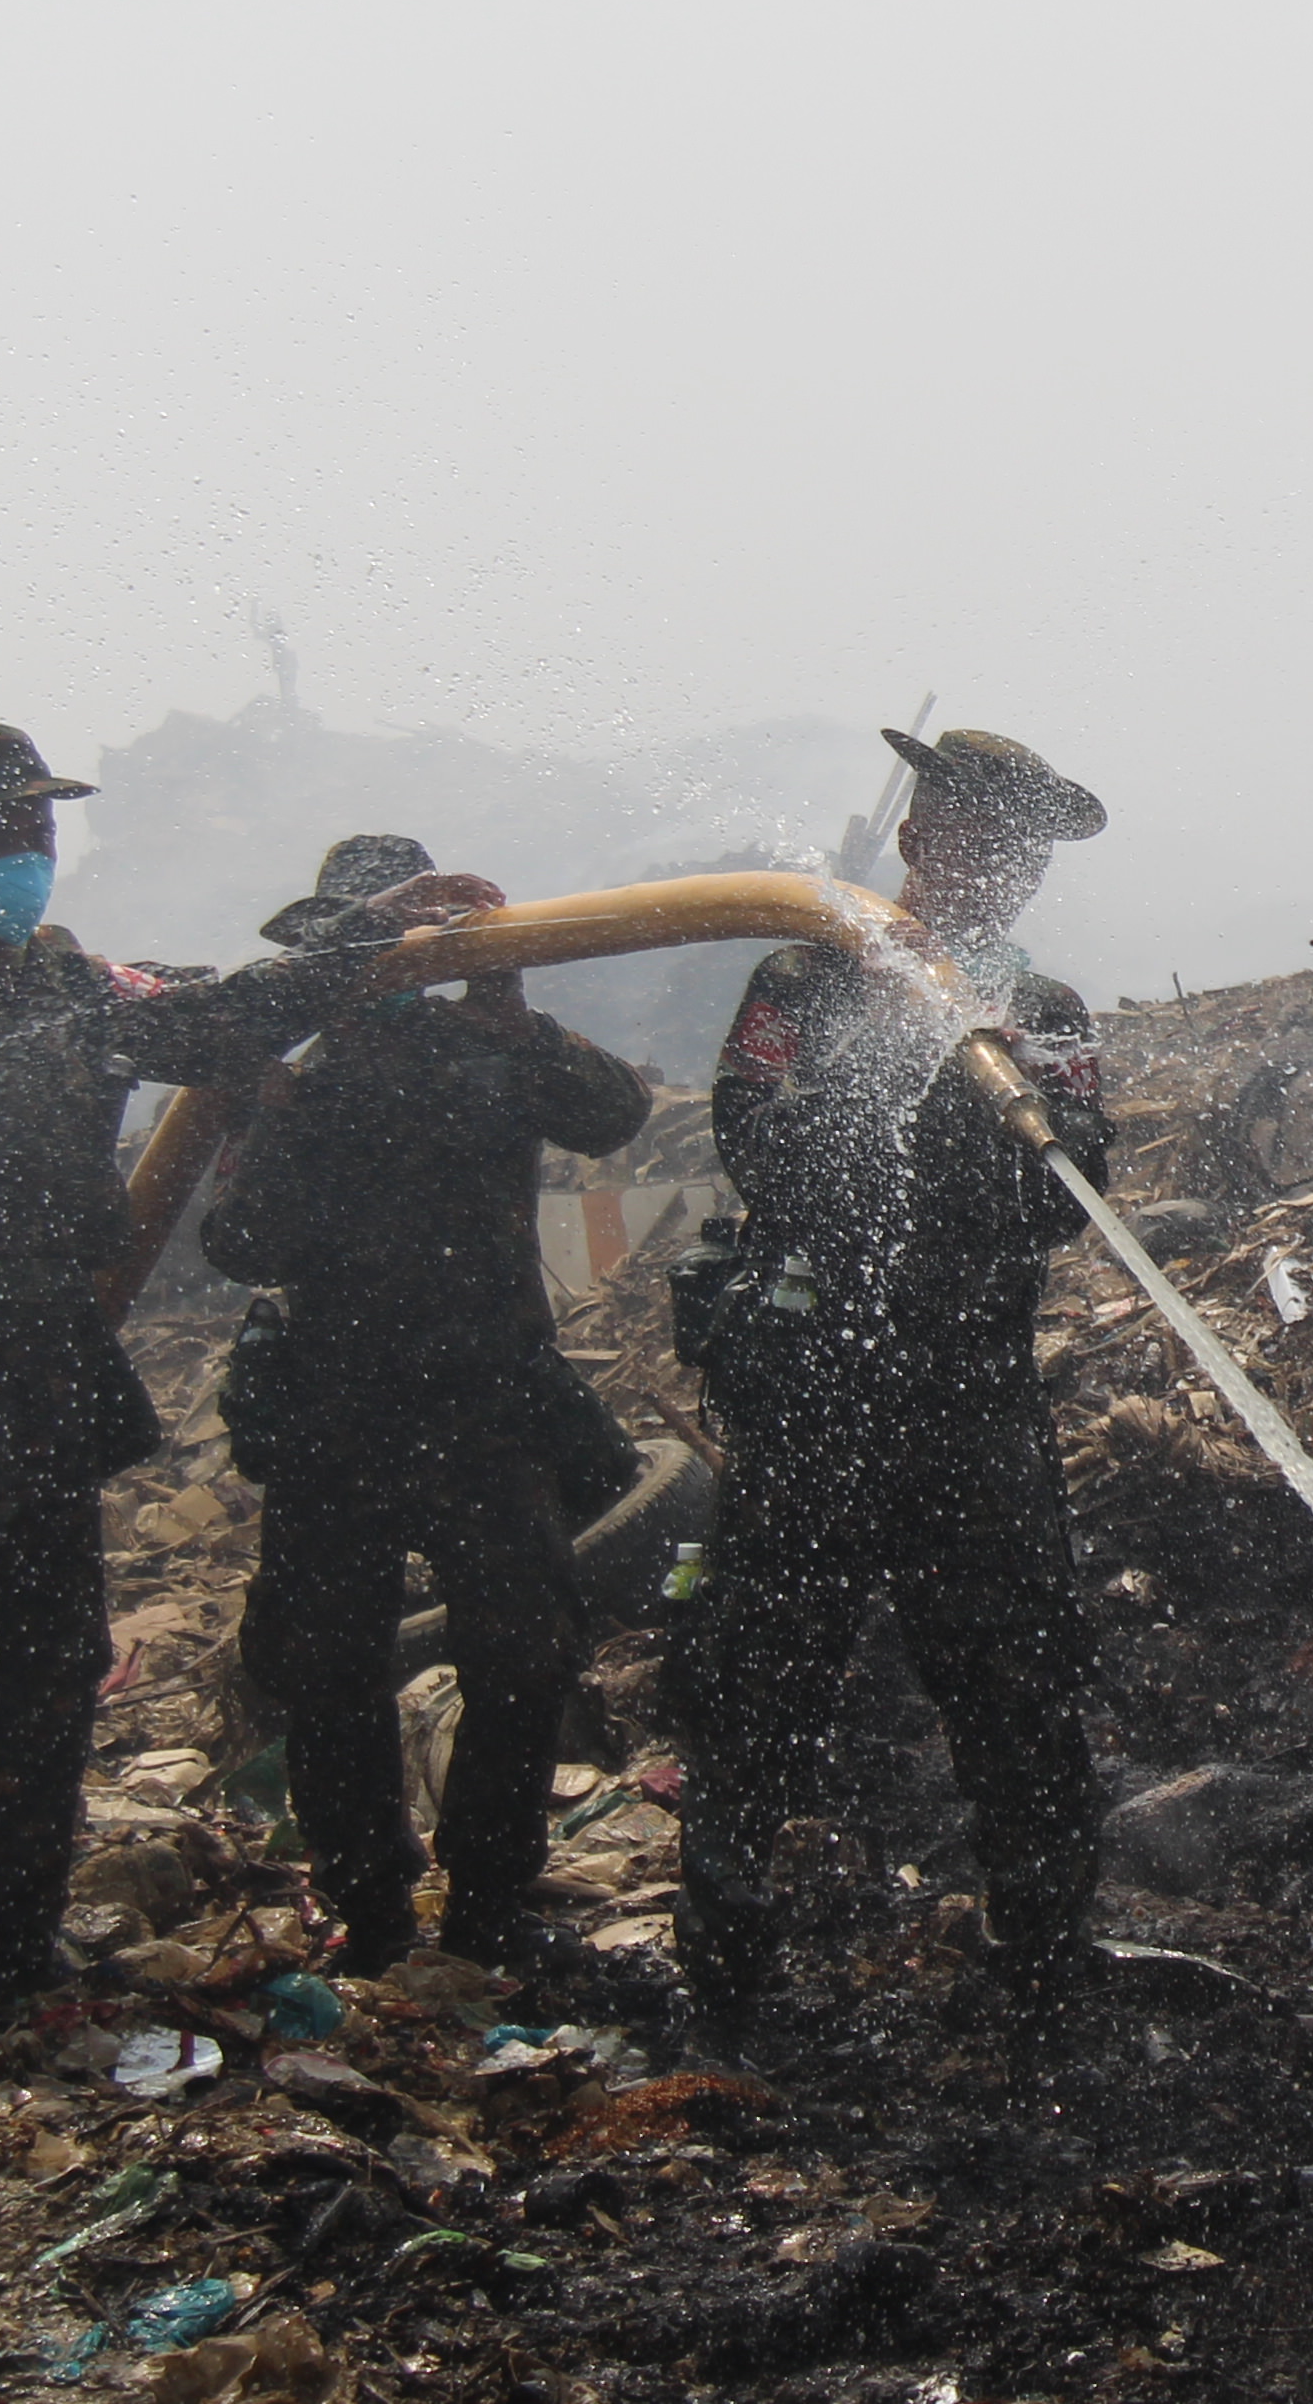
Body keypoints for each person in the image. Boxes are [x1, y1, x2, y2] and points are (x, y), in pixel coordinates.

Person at [0, 728, 442, 2002]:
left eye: (36, 831)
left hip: (41, 1367)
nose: (24, 855)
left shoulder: (73, 986)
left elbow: (223, 1015)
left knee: (48, 1654)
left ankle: (2, 1933)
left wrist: (362, 933)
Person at [674, 726, 1116, 2045]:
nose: (994, 866)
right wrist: (895, 1151)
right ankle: (730, 1984)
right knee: (761, 1676)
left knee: (1022, 1680)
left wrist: (987, 1142)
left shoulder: (1043, 1015)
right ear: (919, 836)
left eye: (1019, 847)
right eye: (972, 834)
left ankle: (1044, 1968)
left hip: (969, 1395)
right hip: (816, 1381)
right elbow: (755, 1135)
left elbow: (1067, 1187)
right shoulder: (809, 973)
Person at [201, 835, 655, 1978]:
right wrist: (269, 1113)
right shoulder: (292, 1078)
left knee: (525, 1653)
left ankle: (493, 1895)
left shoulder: (487, 1052)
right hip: (333, 1414)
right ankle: (370, 1903)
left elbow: (614, 1112)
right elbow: (238, 1239)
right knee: (330, 1666)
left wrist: (515, 1019)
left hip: (483, 1402)